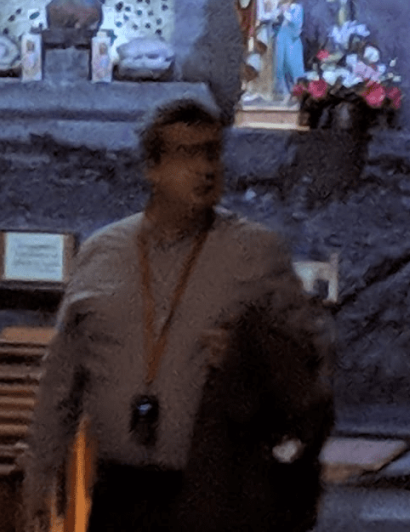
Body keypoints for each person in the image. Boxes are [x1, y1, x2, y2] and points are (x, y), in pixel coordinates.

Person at [22, 98, 333, 532]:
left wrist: (249, 356)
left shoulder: (255, 253)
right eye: (188, 154)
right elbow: (62, 378)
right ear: (153, 167)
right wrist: (39, 472)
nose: (206, 168)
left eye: (213, 152)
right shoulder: (101, 253)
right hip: (118, 491)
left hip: (215, 490)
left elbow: (312, 360)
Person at [274, 0, 306, 99]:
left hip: (291, 41)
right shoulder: (283, 5)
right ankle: (283, 92)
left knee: (293, 65)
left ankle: (298, 91)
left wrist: (286, 13)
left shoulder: (297, 8)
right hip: (281, 39)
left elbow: (297, 25)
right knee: (280, 65)